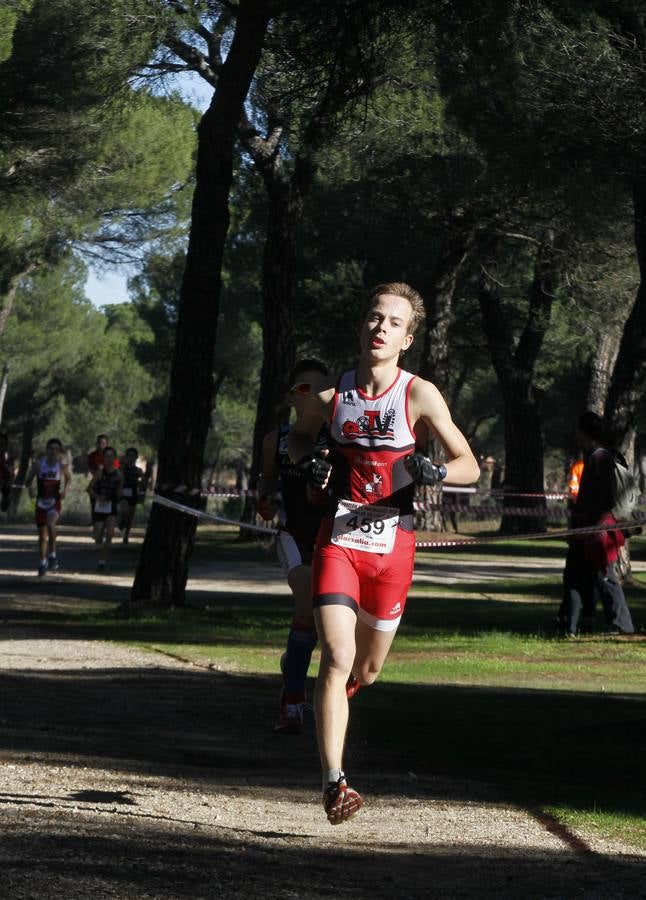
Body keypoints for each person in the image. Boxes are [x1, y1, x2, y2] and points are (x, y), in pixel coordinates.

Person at [288, 282, 480, 824]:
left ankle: (340, 698)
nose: (380, 329)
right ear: (360, 326)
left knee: (366, 671)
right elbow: (297, 439)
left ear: (407, 338)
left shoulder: (419, 394)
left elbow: (468, 463)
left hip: (393, 548)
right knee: (336, 657)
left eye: (392, 323)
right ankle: (334, 782)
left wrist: (437, 471)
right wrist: (309, 463)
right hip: (340, 542)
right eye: (374, 318)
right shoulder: (330, 396)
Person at [257, 360, 331, 734]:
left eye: (321, 389)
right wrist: (265, 500)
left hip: (334, 539)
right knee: (305, 597)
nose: (312, 397)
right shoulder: (277, 440)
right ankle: (293, 703)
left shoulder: (337, 438)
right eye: (304, 389)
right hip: (294, 535)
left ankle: (296, 664)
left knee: (324, 620)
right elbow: (268, 481)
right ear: (290, 396)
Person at [558, 411, 635, 637]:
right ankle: (572, 624)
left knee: (604, 577)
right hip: (589, 529)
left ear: (585, 432)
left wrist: (591, 528)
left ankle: (622, 625)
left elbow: (599, 499)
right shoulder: (598, 456)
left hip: (596, 530)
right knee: (577, 576)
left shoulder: (599, 459)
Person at [25, 438, 71, 576]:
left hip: (54, 502)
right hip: (40, 503)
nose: (53, 451)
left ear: (59, 452)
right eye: (51, 448)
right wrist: (31, 475)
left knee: (51, 524)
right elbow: (28, 482)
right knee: (42, 536)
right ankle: (42, 561)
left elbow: (69, 479)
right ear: (47, 450)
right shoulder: (39, 465)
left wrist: (65, 491)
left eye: (56, 449)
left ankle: (52, 554)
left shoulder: (61, 466)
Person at [88, 446, 123, 570]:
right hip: (99, 507)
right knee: (98, 536)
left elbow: (120, 492)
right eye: (106, 456)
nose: (109, 459)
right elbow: (89, 489)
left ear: (115, 458)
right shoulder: (99, 473)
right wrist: (97, 497)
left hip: (111, 507)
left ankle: (102, 561)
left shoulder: (119, 474)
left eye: (111, 456)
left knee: (110, 534)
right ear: (103, 459)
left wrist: (118, 495)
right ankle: (98, 538)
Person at [118, 447, 146, 544]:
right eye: (129, 456)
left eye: (132, 456)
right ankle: (121, 520)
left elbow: (143, 483)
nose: (130, 458)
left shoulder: (138, 470)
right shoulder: (121, 469)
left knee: (130, 517)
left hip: (133, 493)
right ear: (126, 457)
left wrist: (139, 483)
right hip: (123, 493)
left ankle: (126, 536)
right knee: (125, 511)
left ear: (136, 457)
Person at [0, 431, 13, 512]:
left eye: (2, 444)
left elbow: (10, 471)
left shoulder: (6, 456)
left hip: (4, 481)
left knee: (6, 490)